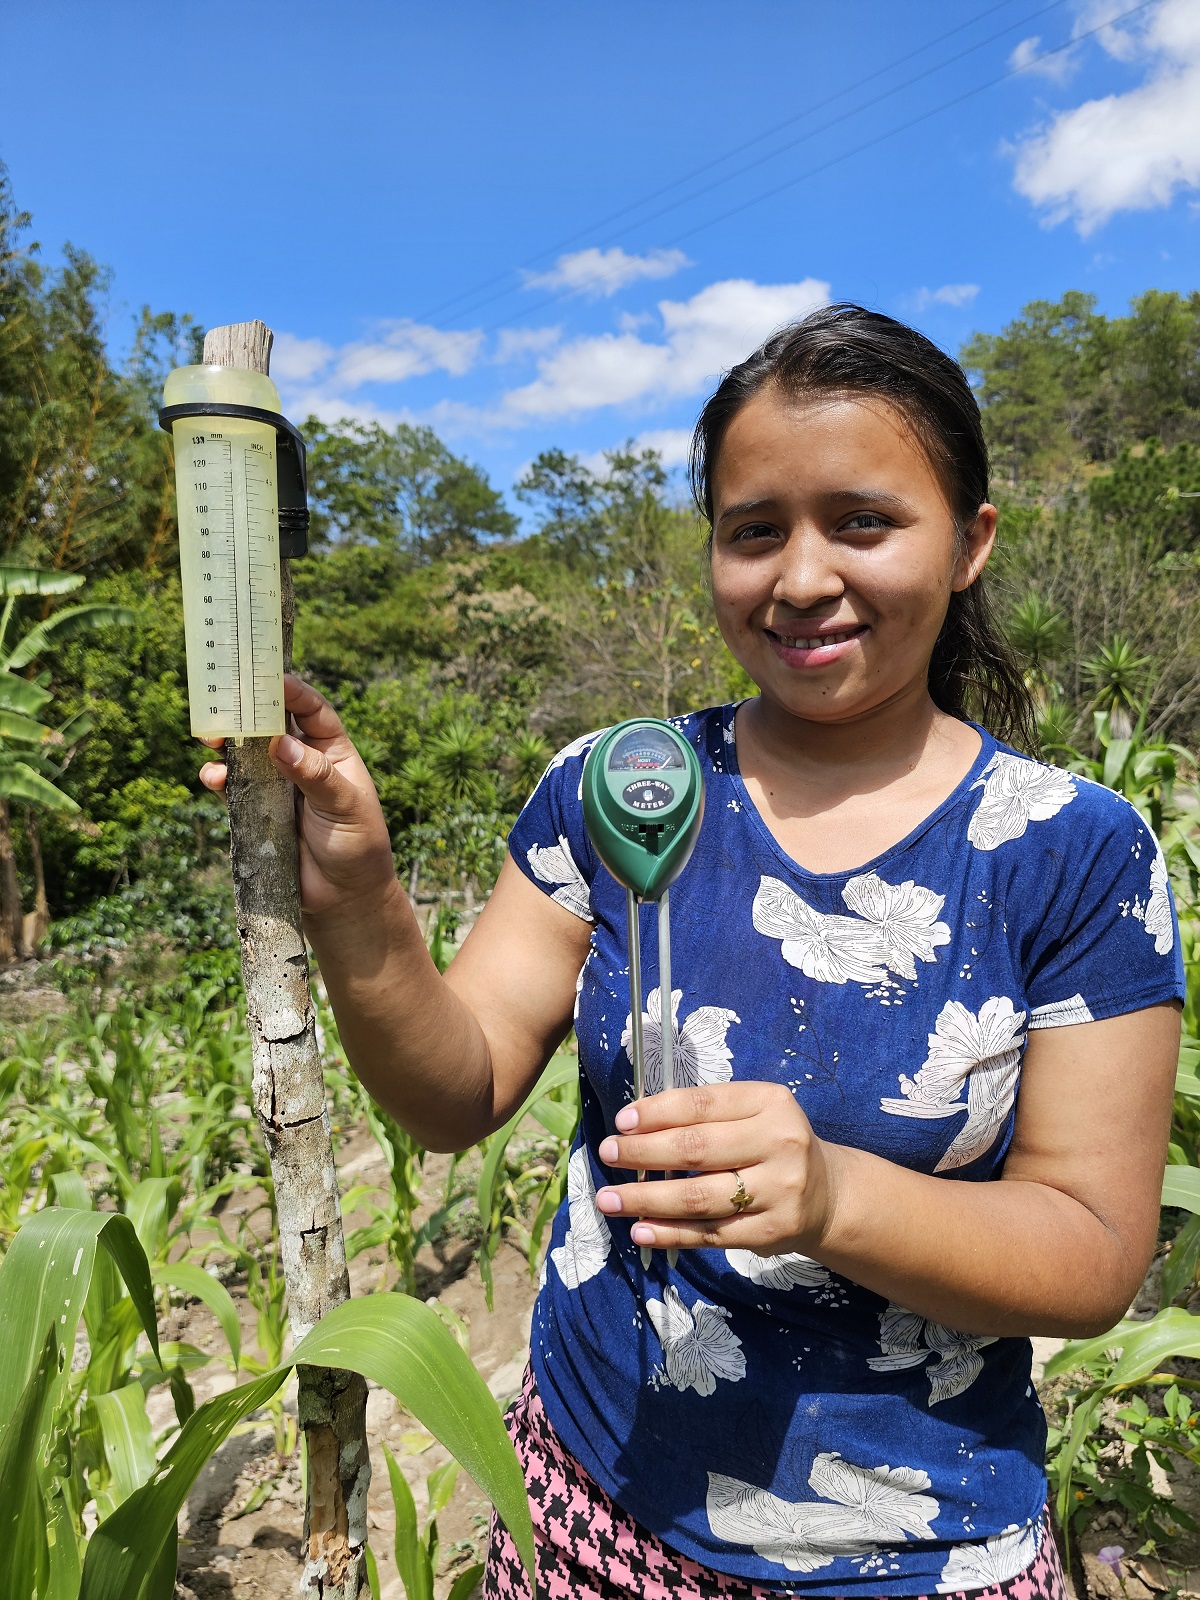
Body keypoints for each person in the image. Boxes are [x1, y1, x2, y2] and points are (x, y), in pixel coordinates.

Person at [202, 304, 1185, 1600]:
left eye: (864, 522)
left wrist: (834, 1198)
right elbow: (457, 1089)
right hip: (586, 1506)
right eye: (754, 530)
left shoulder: (1072, 852)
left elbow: (1095, 1250)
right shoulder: (622, 787)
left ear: (968, 543)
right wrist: (359, 898)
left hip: (921, 1551)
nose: (801, 575)